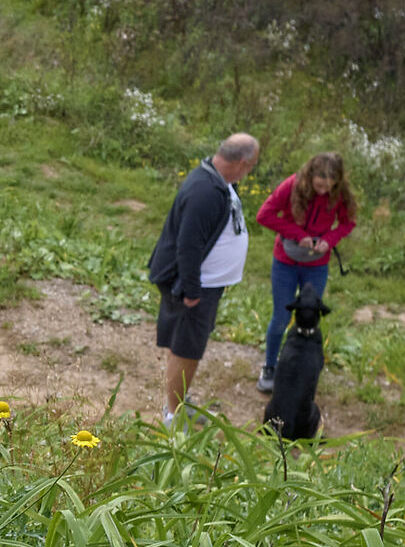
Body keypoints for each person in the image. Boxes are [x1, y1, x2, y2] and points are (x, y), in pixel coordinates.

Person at [145, 133, 259, 427]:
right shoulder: (204, 191)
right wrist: (192, 289)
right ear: (243, 162)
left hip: (207, 285)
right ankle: (173, 415)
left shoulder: (218, 181)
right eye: (253, 165)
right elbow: (188, 244)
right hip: (196, 288)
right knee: (186, 350)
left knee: (188, 348)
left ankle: (179, 401)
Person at [253, 151, 356, 394]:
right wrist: (298, 235)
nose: (324, 190)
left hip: (317, 265)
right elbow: (263, 215)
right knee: (281, 317)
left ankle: (303, 367)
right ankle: (270, 367)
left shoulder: (339, 194)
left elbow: (347, 222)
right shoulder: (291, 186)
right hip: (286, 261)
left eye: (330, 185)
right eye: (320, 184)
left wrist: (329, 240)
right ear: (310, 176)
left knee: (310, 318)